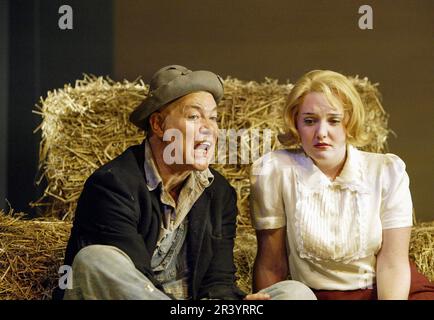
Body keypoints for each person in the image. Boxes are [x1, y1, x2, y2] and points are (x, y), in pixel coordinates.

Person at [57, 65, 274, 300]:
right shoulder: (112, 186)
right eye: (194, 116)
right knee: (95, 260)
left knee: (294, 292)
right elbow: (134, 280)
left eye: (213, 118)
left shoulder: (219, 192)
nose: (209, 128)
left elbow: (218, 283)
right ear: (159, 125)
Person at [250, 69, 434, 300]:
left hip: (386, 290)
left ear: (349, 123)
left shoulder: (386, 172)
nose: (321, 133)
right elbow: (271, 263)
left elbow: (392, 263)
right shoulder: (275, 171)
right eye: (309, 121)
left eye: (334, 120)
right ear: (296, 124)